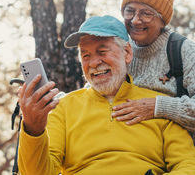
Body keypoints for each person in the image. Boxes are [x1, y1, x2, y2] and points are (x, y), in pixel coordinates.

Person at [18, 15, 195, 175]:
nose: (94, 62)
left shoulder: (157, 105)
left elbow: (187, 165)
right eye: (85, 55)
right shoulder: (63, 107)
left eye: (102, 52)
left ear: (127, 53)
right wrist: (33, 129)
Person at [112, 0, 195, 142]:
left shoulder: (184, 51)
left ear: (163, 19)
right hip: (120, 147)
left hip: (173, 154)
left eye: (146, 13)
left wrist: (158, 107)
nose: (135, 20)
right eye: (130, 11)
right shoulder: (117, 47)